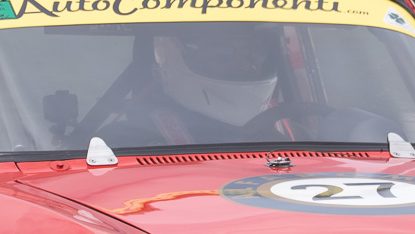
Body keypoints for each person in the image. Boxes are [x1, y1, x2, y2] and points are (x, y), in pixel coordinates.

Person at [97, 24, 287, 147]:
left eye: (255, 53)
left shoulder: (298, 134)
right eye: (223, 55)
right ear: (173, 56)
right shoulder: (124, 144)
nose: (244, 66)